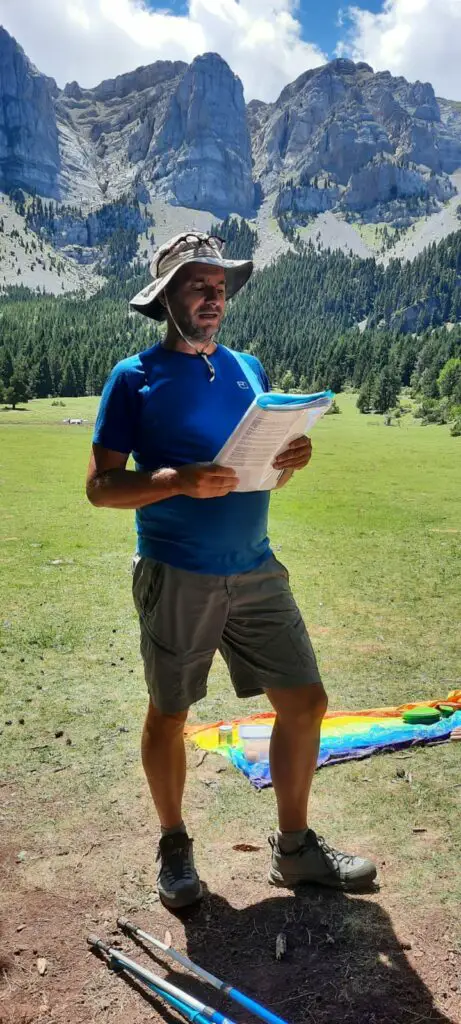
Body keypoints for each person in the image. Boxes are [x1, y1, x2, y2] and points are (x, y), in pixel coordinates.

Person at [86, 232, 377, 910]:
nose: (214, 295)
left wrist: (286, 461)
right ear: (167, 298)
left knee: (305, 702)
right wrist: (173, 480)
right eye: (198, 284)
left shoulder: (248, 366)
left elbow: (258, 472)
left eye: (220, 284)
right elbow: (101, 488)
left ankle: (296, 850)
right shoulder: (134, 377)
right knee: (170, 712)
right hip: (176, 571)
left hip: (254, 567)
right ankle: (174, 845)